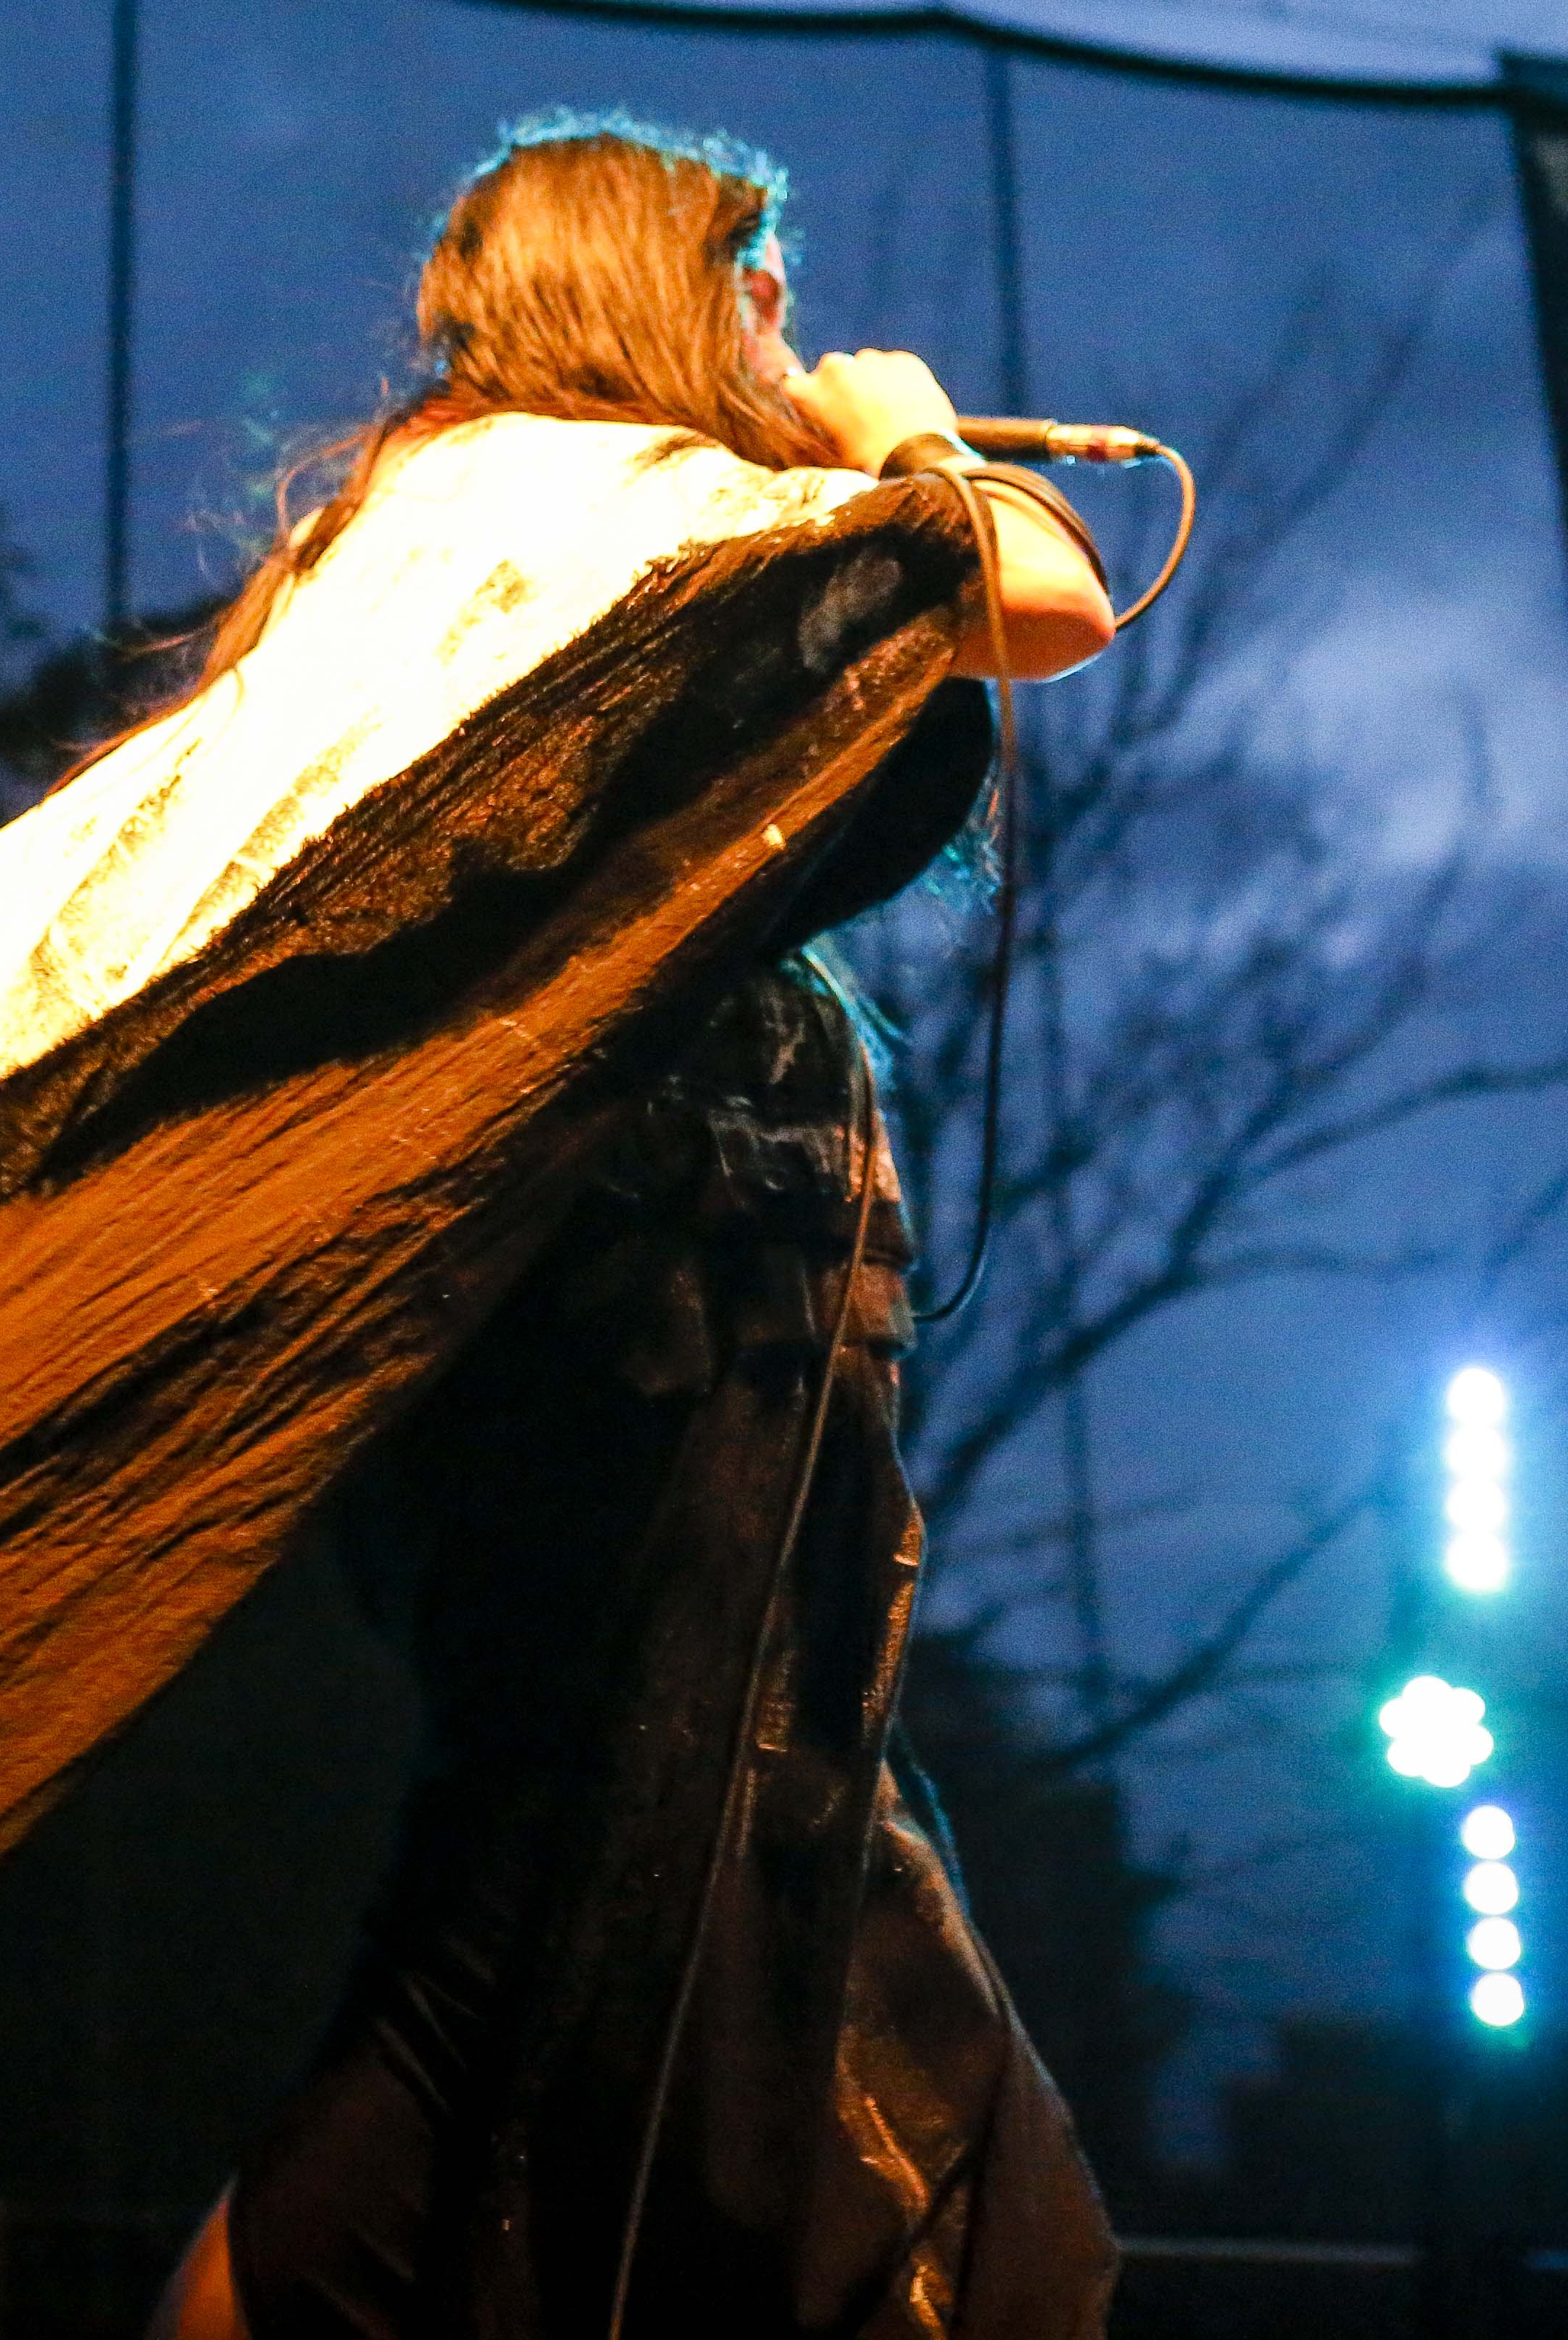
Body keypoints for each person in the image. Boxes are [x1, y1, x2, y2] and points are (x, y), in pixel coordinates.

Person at [152, 118, 1121, 2340]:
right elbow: (1047, 597)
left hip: (656, 1347)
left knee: (687, 1967)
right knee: (539, 1950)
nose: (789, 324)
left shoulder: (455, 525)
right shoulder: (598, 499)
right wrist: (905, 434)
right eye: (760, 279)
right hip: (651, 1347)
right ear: (659, 286)